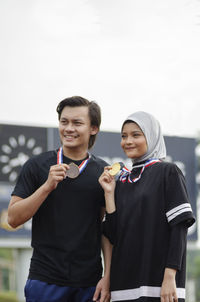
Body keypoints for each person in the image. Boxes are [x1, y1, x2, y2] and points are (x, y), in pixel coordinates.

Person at [8, 96, 111, 302]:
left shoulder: (102, 172)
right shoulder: (36, 165)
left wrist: (108, 276)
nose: (69, 128)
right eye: (64, 122)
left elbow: (105, 229)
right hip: (45, 279)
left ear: (93, 128)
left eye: (77, 123)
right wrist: (46, 187)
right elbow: (13, 218)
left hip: (89, 283)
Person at [99, 111, 195, 302]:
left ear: (151, 137)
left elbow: (179, 227)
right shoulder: (122, 181)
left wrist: (170, 277)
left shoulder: (168, 172)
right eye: (124, 136)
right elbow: (114, 235)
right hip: (123, 288)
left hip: (159, 287)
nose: (128, 141)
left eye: (136, 135)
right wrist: (109, 193)